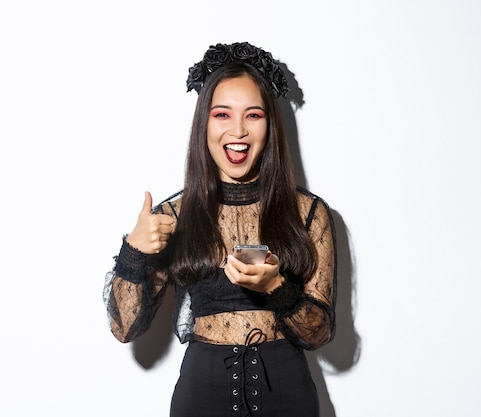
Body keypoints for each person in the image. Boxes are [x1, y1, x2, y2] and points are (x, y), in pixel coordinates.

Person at [103, 41, 337, 417]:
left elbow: (320, 333)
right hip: (202, 397)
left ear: (270, 125)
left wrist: (276, 289)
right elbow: (124, 329)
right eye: (222, 114)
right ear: (204, 123)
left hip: (289, 397)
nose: (238, 130)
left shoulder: (309, 213)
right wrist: (134, 252)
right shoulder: (173, 217)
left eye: (254, 115)